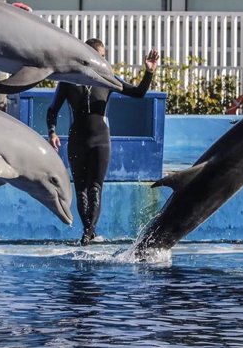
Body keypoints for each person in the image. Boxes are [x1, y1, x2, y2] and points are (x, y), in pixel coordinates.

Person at [46, 39, 159, 245]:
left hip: (101, 142)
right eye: (99, 56)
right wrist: (52, 132)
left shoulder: (107, 79)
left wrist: (149, 72)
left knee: (95, 188)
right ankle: (89, 232)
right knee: (80, 190)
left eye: (103, 56)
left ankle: (88, 234)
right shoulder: (68, 81)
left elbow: (138, 93)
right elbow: (52, 110)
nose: (102, 60)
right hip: (77, 140)